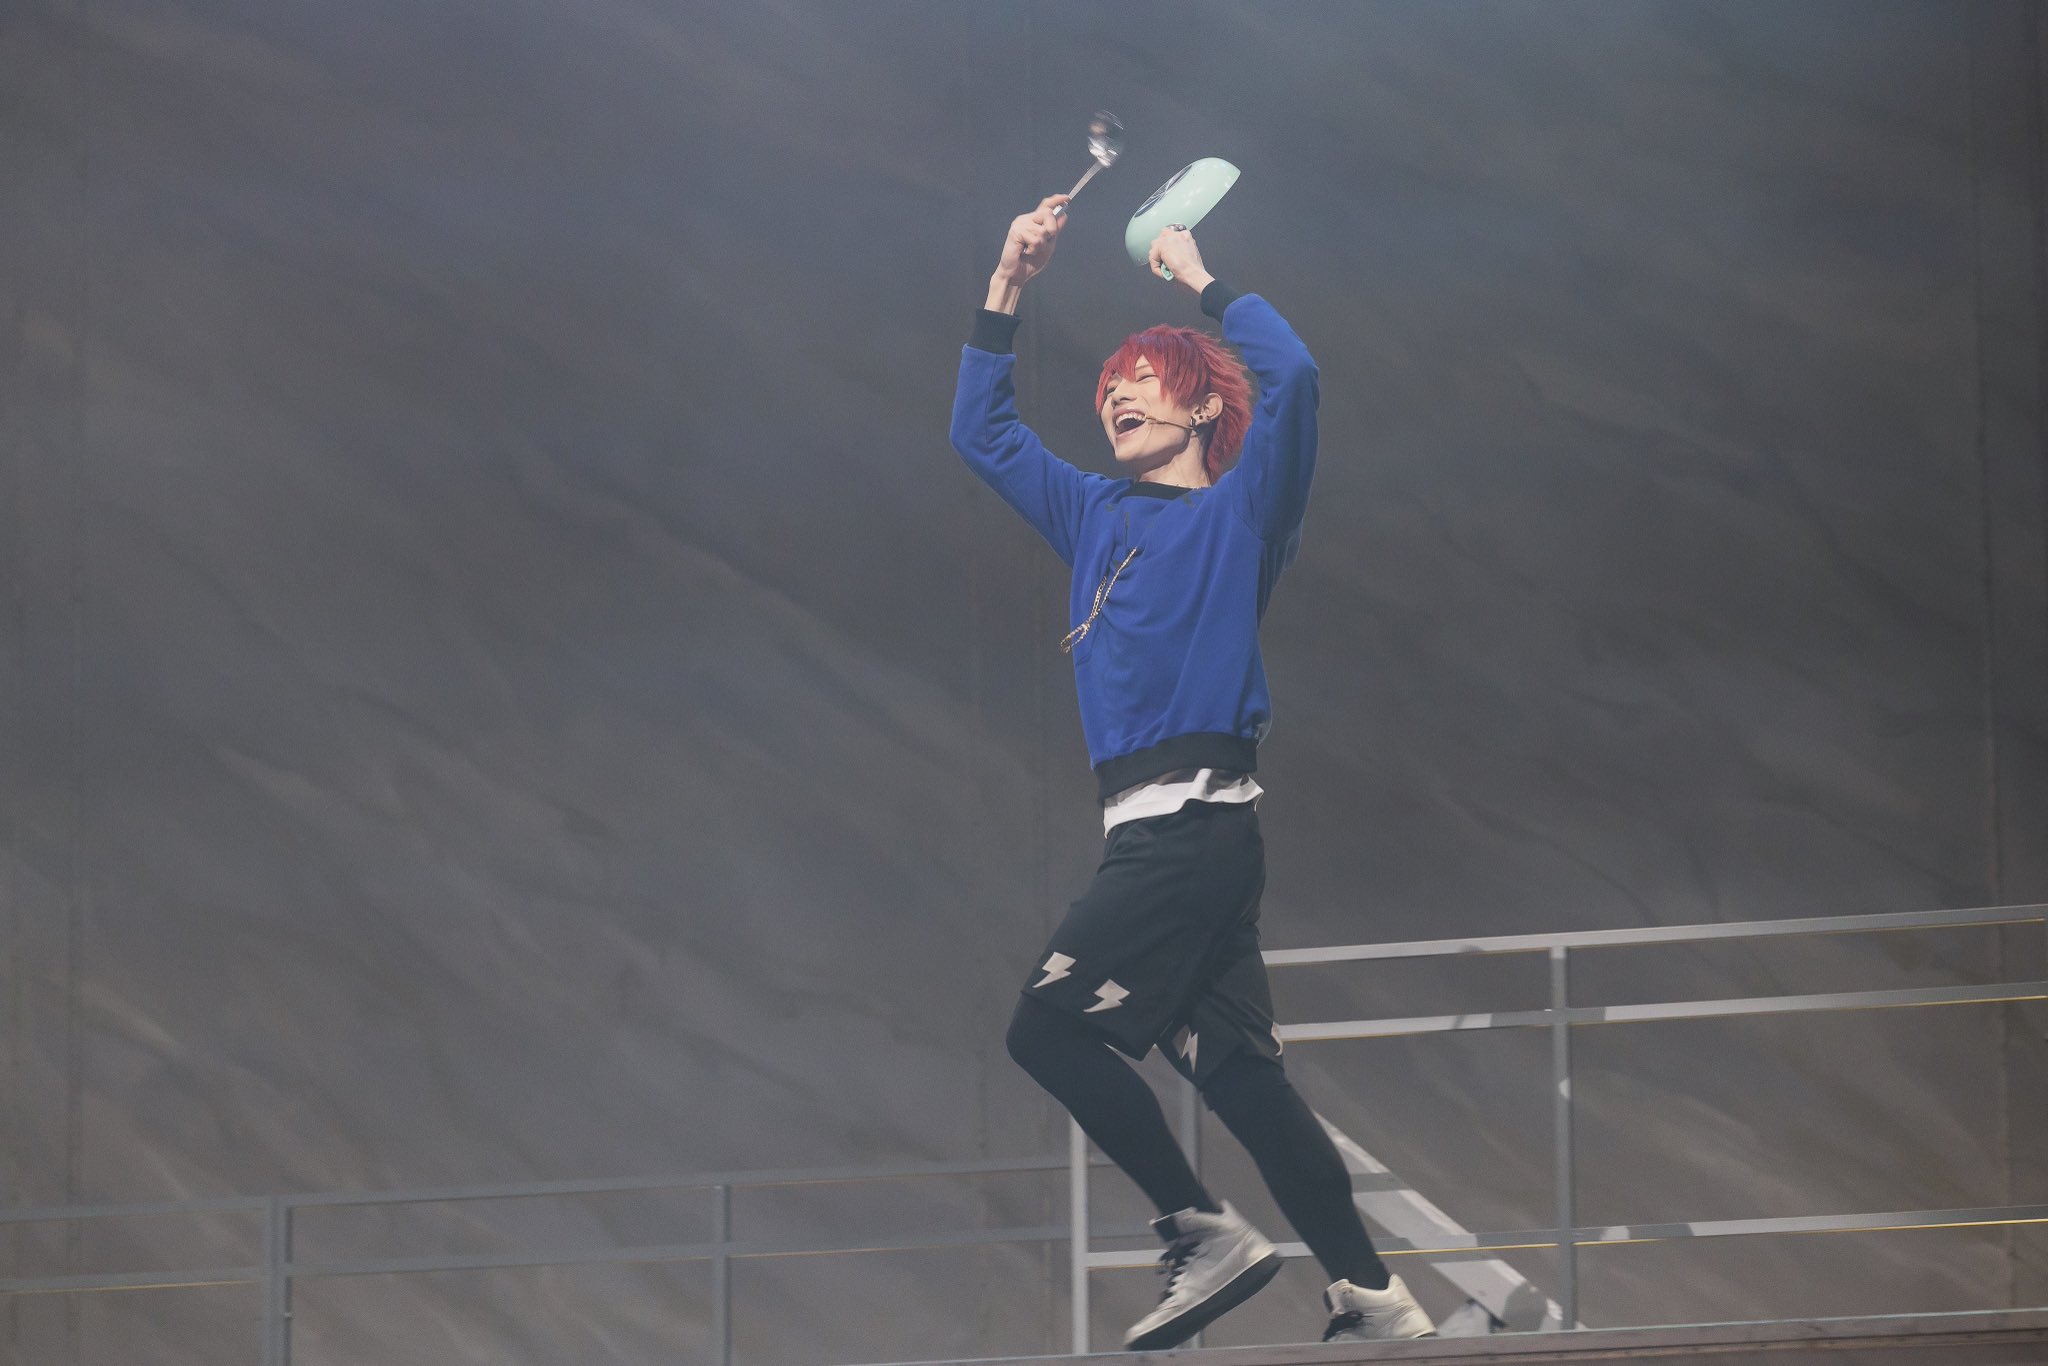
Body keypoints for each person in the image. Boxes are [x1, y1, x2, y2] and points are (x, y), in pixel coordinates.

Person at [948, 194, 1437, 1350]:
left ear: (1204, 404)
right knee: (1242, 1081)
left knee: (1045, 1032)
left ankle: (1200, 1229)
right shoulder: (1091, 512)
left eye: (1143, 378)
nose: (1115, 394)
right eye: (1107, 383)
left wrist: (1198, 279)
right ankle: (1374, 1295)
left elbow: (1295, 374)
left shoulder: (1240, 512)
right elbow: (981, 433)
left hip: (1190, 833)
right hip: (1165, 839)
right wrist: (1008, 279)